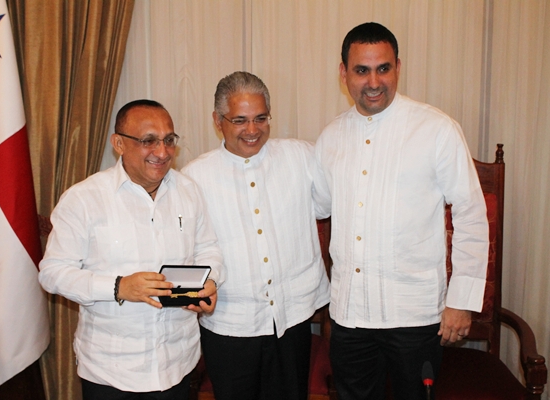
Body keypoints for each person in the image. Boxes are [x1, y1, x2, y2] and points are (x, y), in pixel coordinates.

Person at [315, 22, 489, 400]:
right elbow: (318, 205)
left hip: (415, 316)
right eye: (362, 70)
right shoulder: (330, 137)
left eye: (384, 68)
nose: (374, 81)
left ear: (398, 67)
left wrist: (460, 301)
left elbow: (472, 214)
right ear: (343, 73)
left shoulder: (436, 129)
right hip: (350, 316)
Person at [39, 100, 223, 400]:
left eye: (168, 140)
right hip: (111, 371)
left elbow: (208, 249)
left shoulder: (189, 191)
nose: (162, 152)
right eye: (148, 141)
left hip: (178, 361)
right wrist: (118, 286)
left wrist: (209, 282)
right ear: (119, 144)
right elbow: (52, 273)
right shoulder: (84, 199)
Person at [181, 71, 330, 400]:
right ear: (218, 120)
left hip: (291, 319)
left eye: (261, 118)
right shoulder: (193, 178)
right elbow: (183, 249)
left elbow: (327, 208)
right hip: (230, 325)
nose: (252, 130)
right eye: (240, 120)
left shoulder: (302, 157)